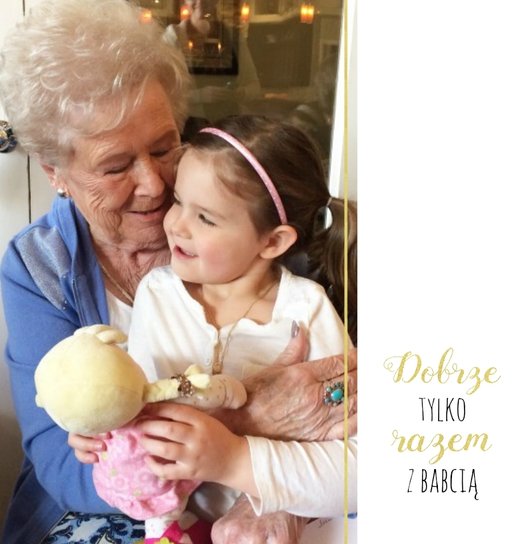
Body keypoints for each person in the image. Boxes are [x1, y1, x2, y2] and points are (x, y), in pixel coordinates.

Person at [0, 1, 356, 543]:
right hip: (116, 502)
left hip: (278, 494)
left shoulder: (249, 226)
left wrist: (271, 485)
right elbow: (62, 462)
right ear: (56, 173)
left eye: (164, 147)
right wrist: (232, 426)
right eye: (115, 166)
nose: (154, 186)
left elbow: (344, 413)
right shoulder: (39, 265)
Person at [85, 114, 357, 543]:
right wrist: (101, 428)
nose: (175, 224)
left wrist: (235, 460)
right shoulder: (157, 294)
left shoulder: (306, 310)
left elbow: (357, 470)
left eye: (206, 219)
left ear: (273, 242)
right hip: (179, 529)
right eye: (178, 200)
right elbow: (138, 405)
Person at [163, 0, 261, 122]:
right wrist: (201, 96)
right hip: (190, 125)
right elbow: (164, 93)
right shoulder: (173, 37)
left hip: (228, 123)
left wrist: (238, 94)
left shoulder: (233, 37)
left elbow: (254, 87)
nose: (200, 1)